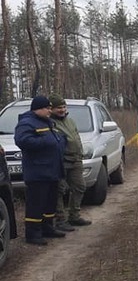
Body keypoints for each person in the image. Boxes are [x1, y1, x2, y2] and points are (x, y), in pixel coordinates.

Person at [15, 96, 66, 245]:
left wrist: (61, 141)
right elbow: (22, 141)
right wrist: (46, 141)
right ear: (38, 108)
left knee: (50, 203)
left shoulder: (48, 122)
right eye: (47, 108)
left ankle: (47, 228)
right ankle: (33, 234)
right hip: (38, 172)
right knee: (36, 205)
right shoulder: (26, 123)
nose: (50, 111)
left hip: (52, 171)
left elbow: (56, 138)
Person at [48, 94, 91, 232]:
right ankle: (60, 220)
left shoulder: (70, 121)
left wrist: (80, 154)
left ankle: (74, 215)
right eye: (58, 107)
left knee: (79, 186)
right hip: (61, 161)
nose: (62, 110)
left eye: (64, 107)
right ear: (52, 109)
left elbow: (76, 137)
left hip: (75, 159)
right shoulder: (50, 123)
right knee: (59, 190)